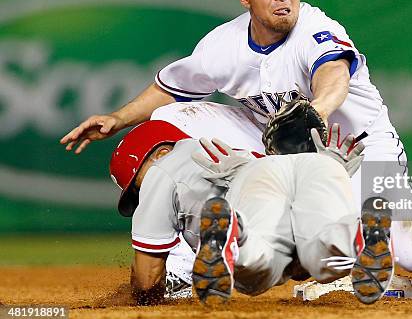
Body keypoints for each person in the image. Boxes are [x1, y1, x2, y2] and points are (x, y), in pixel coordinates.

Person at [62, 0, 412, 300]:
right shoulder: (223, 45)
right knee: (175, 118)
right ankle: (185, 266)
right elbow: (170, 86)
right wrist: (118, 118)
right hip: (276, 142)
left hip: (358, 145)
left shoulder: (317, 29)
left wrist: (313, 112)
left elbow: (332, 75)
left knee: (408, 244)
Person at [111, 120, 393, 305]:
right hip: (312, 164)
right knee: (320, 259)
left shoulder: (160, 172)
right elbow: (297, 271)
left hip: (254, 192)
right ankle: (356, 232)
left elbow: (148, 282)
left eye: (136, 185)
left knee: (256, 270)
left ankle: (236, 233)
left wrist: (132, 295)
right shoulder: (226, 149)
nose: (139, 195)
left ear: (159, 153)